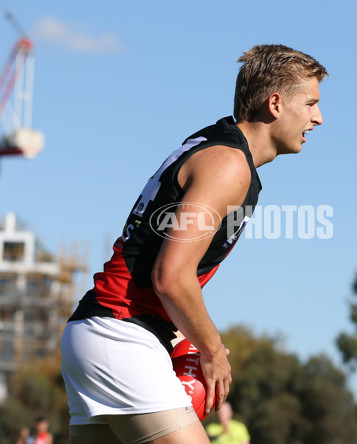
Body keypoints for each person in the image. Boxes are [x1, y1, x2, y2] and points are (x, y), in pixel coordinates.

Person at [60, 44, 327, 444]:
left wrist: (183, 336)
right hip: (121, 337)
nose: (318, 118)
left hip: (101, 332)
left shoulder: (218, 148)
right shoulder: (228, 164)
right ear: (275, 104)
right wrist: (212, 350)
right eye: (310, 104)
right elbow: (170, 276)